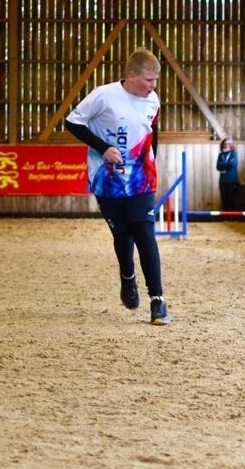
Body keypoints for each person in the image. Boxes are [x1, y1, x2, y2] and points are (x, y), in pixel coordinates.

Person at [64, 48, 171, 325]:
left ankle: (157, 300)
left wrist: (151, 163)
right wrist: (104, 148)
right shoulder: (104, 95)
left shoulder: (153, 100)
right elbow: (72, 122)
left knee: (144, 231)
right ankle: (127, 278)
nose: (153, 86)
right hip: (107, 177)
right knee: (123, 234)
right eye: (148, 80)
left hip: (142, 177)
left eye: (155, 81)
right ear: (131, 75)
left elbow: (152, 132)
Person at [216, 137, 239, 211]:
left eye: (228, 144)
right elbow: (218, 167)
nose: (226, 145)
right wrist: (227, 165)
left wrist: (224, 165)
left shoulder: (233, 154)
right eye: (225, 144)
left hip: (232, 180)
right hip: (222, 181)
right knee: (224, 200)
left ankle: (231, 218)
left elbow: (233, 164)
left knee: (231, 200)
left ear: (231, 145)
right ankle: (225, 217)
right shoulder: (221, 155)